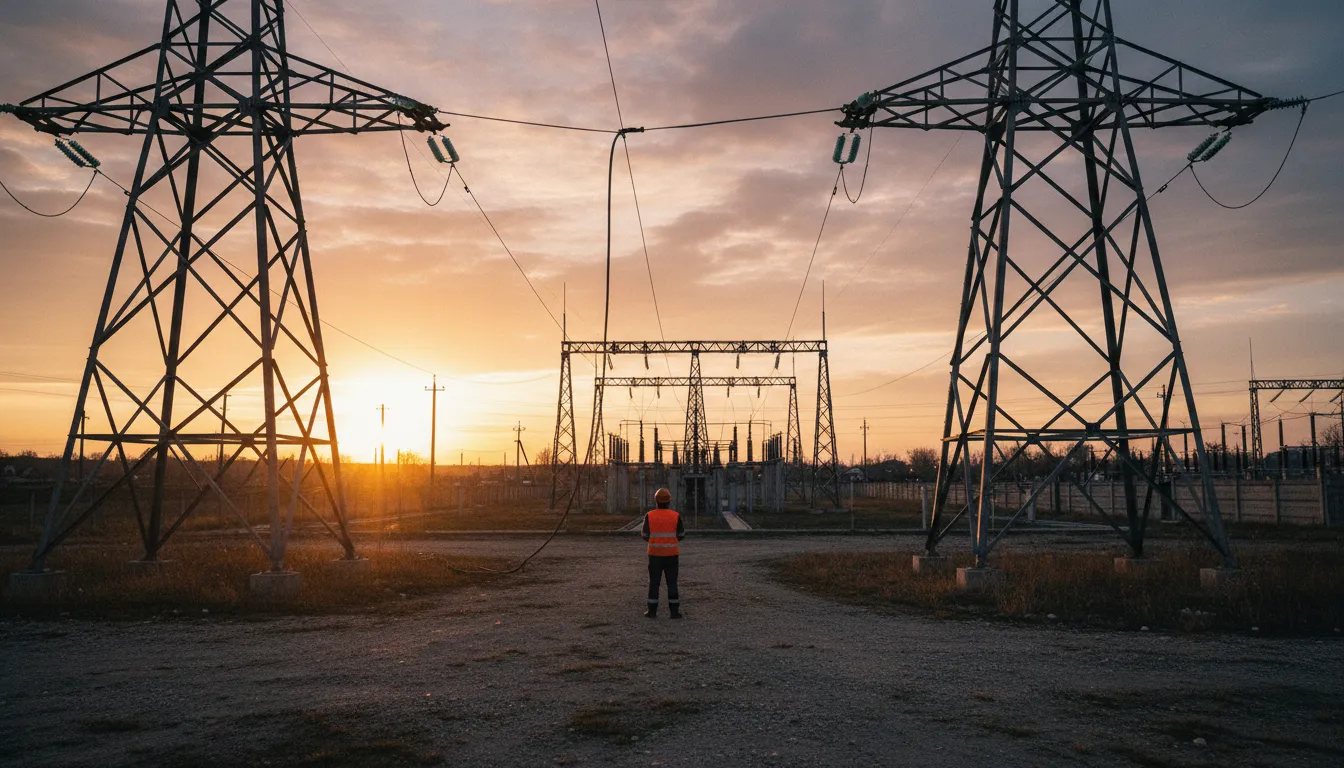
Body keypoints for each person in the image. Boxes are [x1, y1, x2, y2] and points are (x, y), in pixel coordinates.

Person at [641, 486, 684, 618]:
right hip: (672, 555)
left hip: (654, 555)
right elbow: (681, 534)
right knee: (672, 583)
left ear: (656, 501)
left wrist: (655, 541)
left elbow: (644, 534)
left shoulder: (650, 515)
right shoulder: (675, 516)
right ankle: (674, 612)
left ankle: (652, 611)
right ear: (669, 501)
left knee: (654, 583)